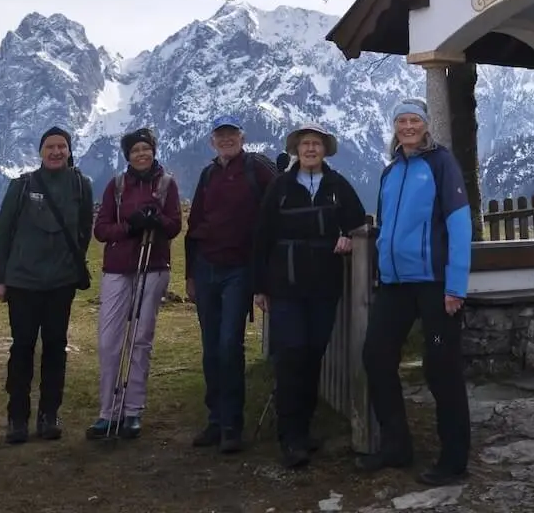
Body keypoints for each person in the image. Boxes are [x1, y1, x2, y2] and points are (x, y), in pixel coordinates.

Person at [357, 97, 473, 486]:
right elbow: (385, 227)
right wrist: (379, 271)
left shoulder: (442, 164)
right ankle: (396, 445)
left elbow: (459, 225)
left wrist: (456, 285)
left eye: (414, 121)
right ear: (395, 127)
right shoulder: (391, 173)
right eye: (401, 121)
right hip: (395, 284)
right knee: (375, 356)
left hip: (436, 285)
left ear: (425, 126)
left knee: (441, 367)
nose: (407, 127)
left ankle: (454, 460)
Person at [253, 122, 366, 467]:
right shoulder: (281, 187)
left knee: (314, 353)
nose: (310, 149)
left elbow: (358, 220)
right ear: (296, 150)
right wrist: (259, 285)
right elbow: (262, 235)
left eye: (316, 143)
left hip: (323, 286)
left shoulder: (337, 186)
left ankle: (304, 428)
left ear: (325, 150)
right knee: (291, 356)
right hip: (286, 286)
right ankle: (291, 437)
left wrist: (348, 235)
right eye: (305, 144)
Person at [0, 126, 94, 445]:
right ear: (40, 151)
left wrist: (73, 264)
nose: (56, 151)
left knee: (55, 347)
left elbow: (84, 229)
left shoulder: (81, 185)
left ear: (69, 150)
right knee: (21, 347)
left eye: (61, 146)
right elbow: (2, 233)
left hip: (61, 283)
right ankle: (17, 418)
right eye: (50, 146)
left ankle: (50, 415)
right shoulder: (22, 185)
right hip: (22, 282)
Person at [184, 115, 275, 452]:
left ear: (242, 137)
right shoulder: (209, 175)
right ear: (212, 141)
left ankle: (232, 426)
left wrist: (264, 271)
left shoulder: (257, 170)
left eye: (231, 135)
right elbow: (194, 224)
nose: (226, 141)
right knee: (211, 348)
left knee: (228, 345)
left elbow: (275, 208)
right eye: (220, 136)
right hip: (207, 268)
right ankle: (215, 420)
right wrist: (190, 275)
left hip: (239, 270)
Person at [89, 126, 182, 441]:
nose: (141, 154)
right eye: (135, 150)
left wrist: (156, 222)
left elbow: (174, 227)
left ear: (154, 151)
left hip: (153, 267)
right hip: (118, 268)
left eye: (146, 149)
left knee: (141, 339)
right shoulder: (116, 186)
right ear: (128, 155)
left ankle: (133, 411)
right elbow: (101, 229)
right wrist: (129, 227)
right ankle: (108, 411)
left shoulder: (167, 184)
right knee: (109, 340)